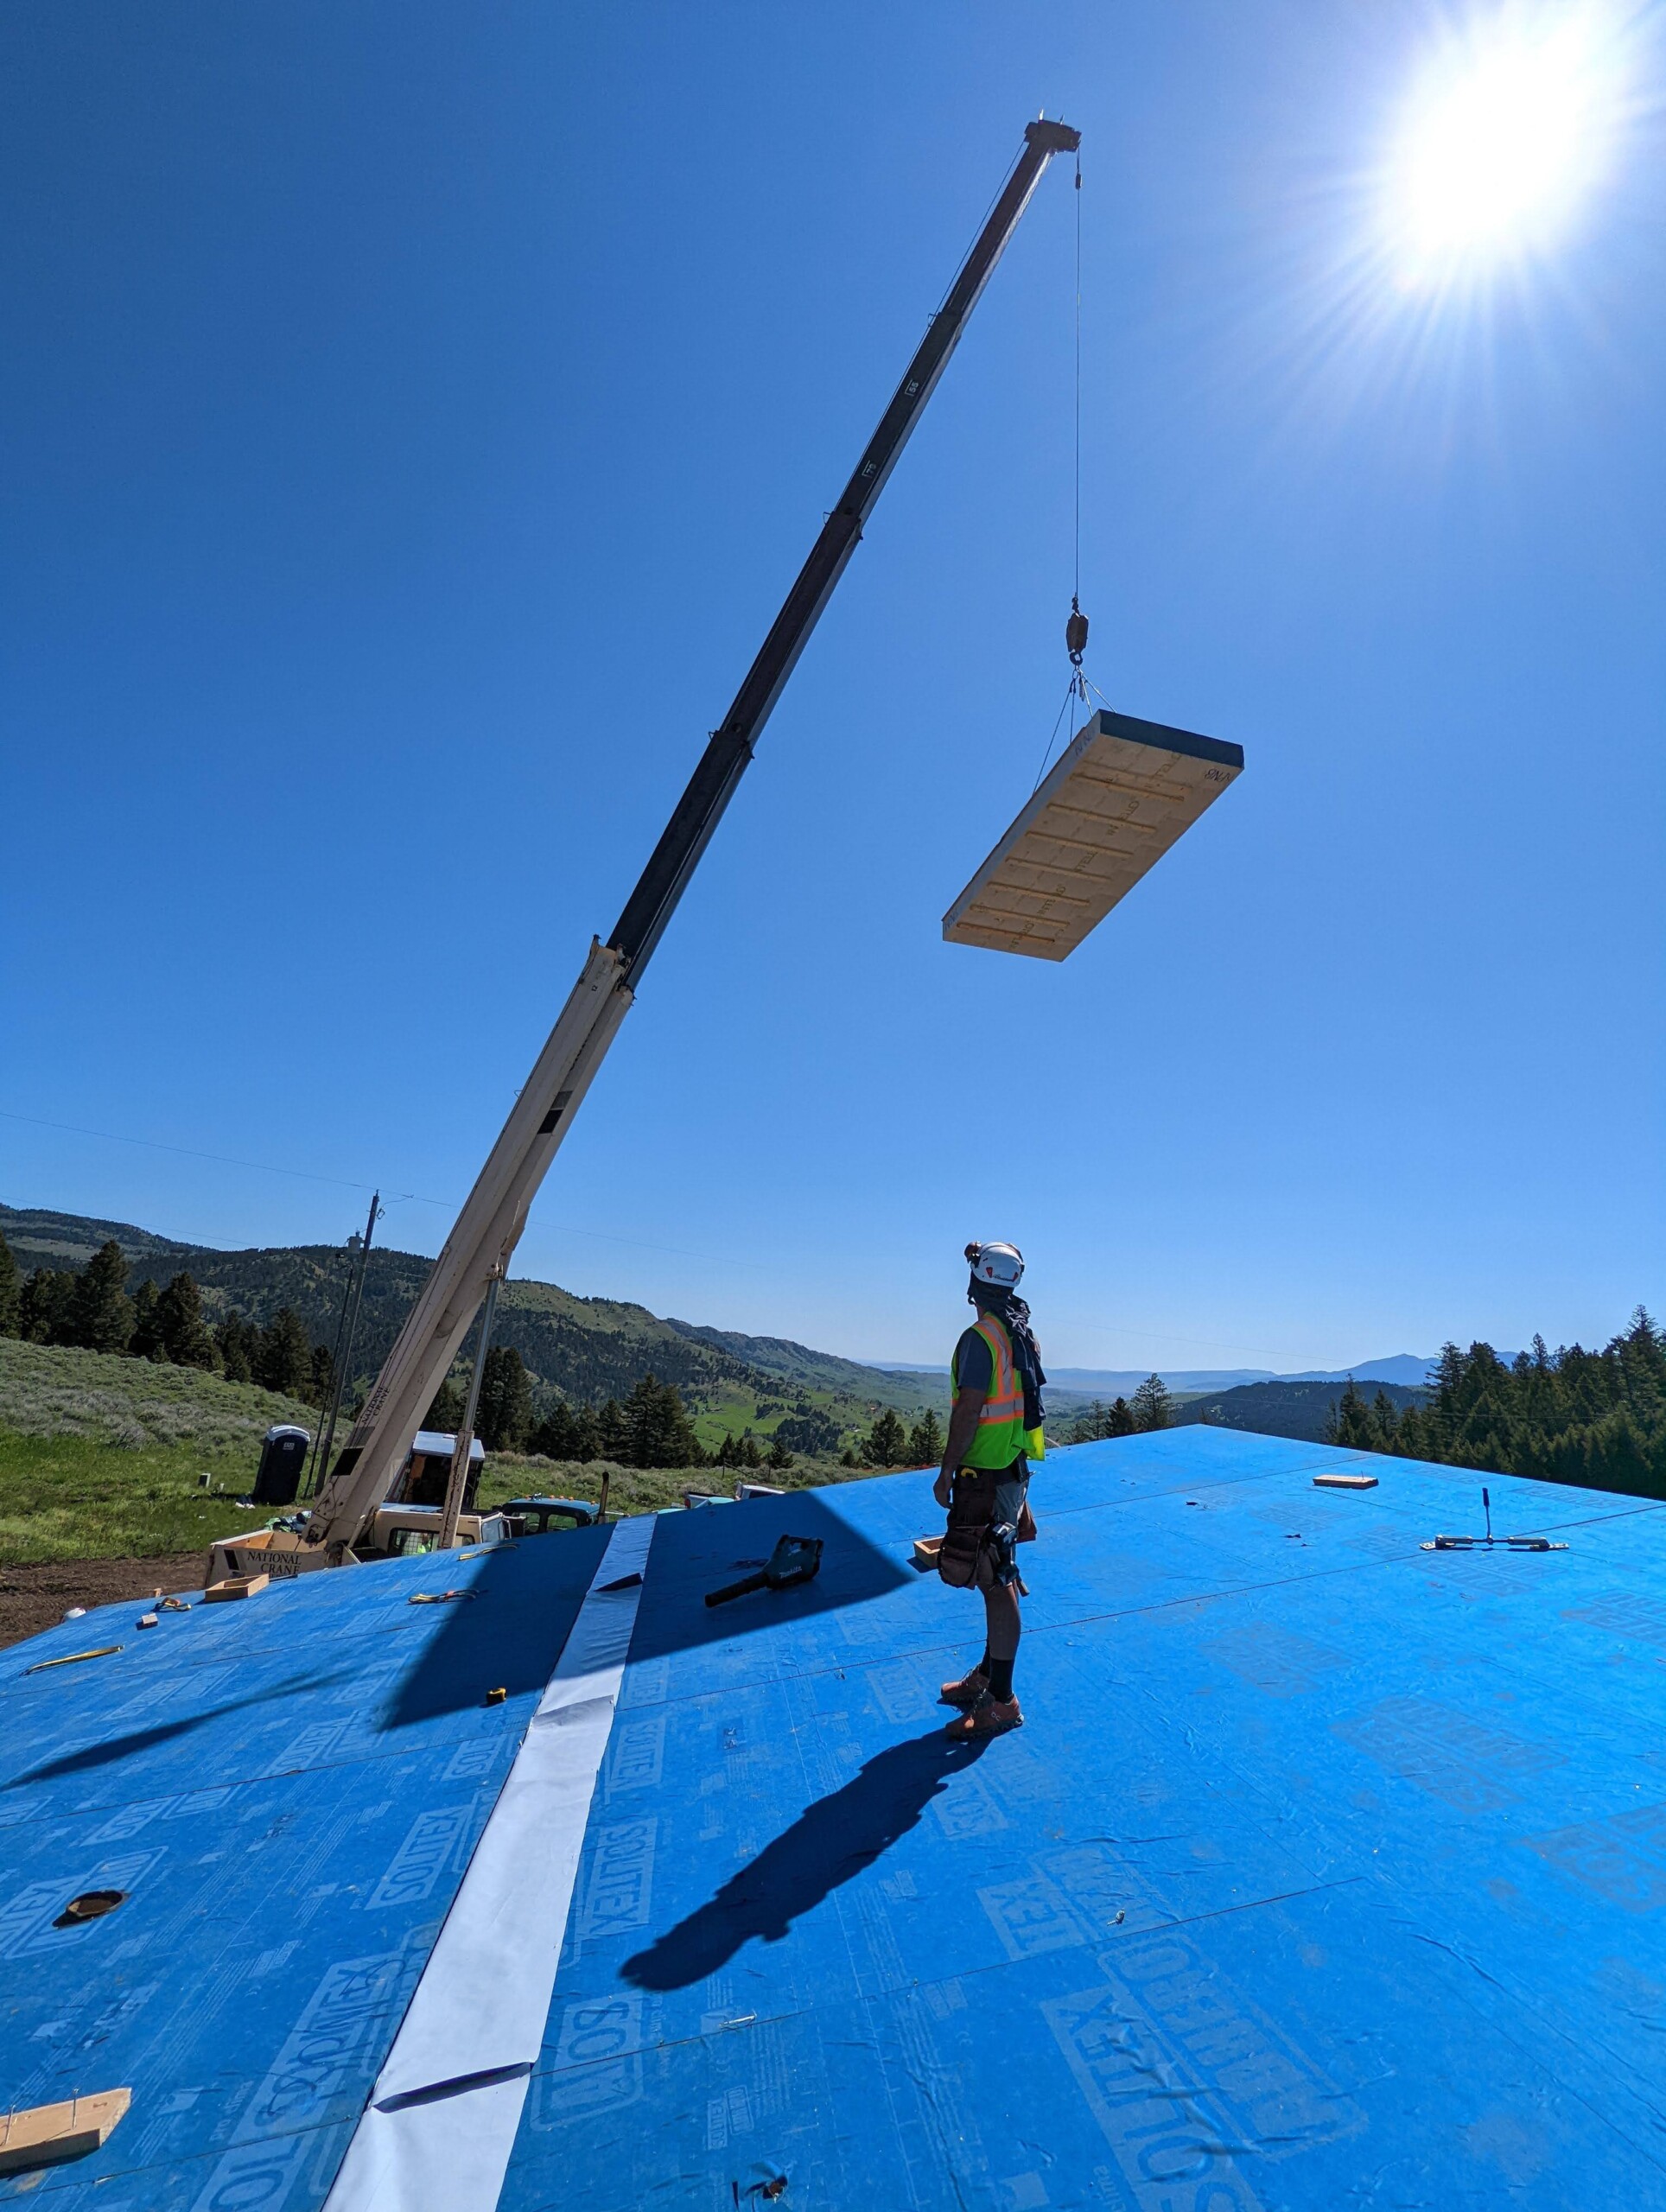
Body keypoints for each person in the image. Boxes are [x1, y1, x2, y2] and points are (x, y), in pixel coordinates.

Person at [933, 1239, 1046, 1738]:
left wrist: (946, 1471)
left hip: (985, 1477)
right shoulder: (1019, 1333)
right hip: (1010, 1472)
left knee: (997, 1586)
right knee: (994, 1576)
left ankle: (1002, 1701)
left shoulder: (980, 1339)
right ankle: (988, 1673)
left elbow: (968, 1410)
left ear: (975, 1284)